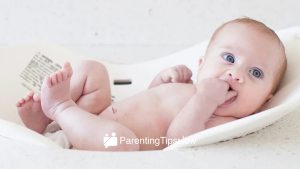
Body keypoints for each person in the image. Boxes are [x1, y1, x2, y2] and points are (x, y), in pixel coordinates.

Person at [16, 17, 287, 151]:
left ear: (265, 101)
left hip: (105, 140)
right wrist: (161, 81)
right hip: (93, 117)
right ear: (201, 63)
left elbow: (175, 138)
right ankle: (48, 121)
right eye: (229, 58)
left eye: (255, 73)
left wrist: (205, 100)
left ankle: (61, 107)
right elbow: (148, 101)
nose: (235, 74)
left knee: (125, 143)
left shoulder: (222, 119)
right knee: (92, 69)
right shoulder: (191, 88)